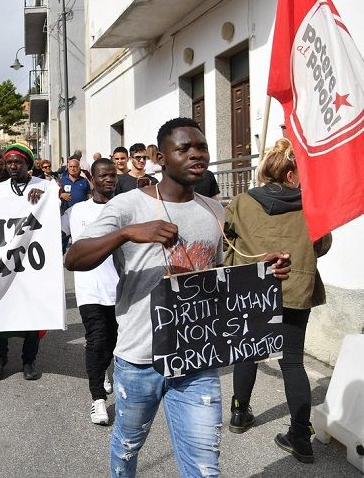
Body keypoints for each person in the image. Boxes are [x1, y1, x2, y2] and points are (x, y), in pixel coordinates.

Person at [65, 118, 291, 477]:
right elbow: (74, 258)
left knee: (204, 467)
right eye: (183, 148)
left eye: (200, 147)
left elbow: (218, 276)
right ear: (161, 157)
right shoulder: (127, 206)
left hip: (196, 359)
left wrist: (263, 271)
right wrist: (127, 234)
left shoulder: (214, 211)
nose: (195, 154)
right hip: (140, 358)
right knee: (127, 447)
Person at [225, 138, 331, 465]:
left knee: (248, 352)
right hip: (296, 287)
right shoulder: (311, 206)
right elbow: (322, 246)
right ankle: (301, 437)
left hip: (252, 287)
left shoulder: (243, 202)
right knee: (293, 361)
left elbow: (226, 239)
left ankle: (240, 414)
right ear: (289, 173)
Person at [0, 143, 53, 381]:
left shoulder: (44, 186)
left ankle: (29, 360)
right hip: (5, 259)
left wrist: (45, 199)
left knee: (31, 310)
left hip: (32, 260)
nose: (13, 167)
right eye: (9, 163)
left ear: (28, 165)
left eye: (18, 162)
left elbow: (54, 213)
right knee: (0, 308)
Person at [68, 158, 119, 425]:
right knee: (97, 342)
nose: (109, 179)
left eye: (113, 175)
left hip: (121, 289)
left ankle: (102, 370)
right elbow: (42, 227)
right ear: (93, 179)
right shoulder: (77, 211)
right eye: (103, 175)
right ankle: (98, 400)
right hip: (90, 289)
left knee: (113, 343)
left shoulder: (125, 209)